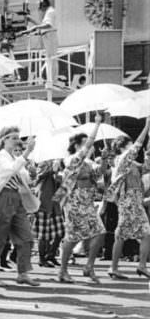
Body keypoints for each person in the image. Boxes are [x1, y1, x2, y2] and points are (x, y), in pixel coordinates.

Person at [0, 127, 40, 287]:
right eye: (13, 137)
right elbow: (9, 171)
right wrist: (27, 152)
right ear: (4, 140)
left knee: (26, 237)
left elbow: (24, 178)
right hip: (3, 197)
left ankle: (23, 272)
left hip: (17, 197)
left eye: (18, 137)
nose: (17, 140)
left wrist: (32, 173)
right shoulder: (0, 156)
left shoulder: (15, 157)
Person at [56, 116, 107, 283]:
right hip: (74, 201)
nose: (90, 147)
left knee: (100, 232)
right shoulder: (71, 159)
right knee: (73, 236)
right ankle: (63, 270)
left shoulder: (89, 162)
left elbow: (100, 174)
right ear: (77, 146)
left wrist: (105, 159)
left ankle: (89, 266)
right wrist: (97, 124)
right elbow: (85, 150)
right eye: (86, 144)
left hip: (88, 201)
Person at [108, 118, 150, 279]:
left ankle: (116, 267)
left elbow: (145, 168)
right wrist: (146, 127)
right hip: (129, 200)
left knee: (123, 234)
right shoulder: (122, 160)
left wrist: (147, 156)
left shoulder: (130, 162)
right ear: (124, 146)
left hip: (132, 200)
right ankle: (140, 266)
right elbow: (136, 146)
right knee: (145, 233)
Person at [18, 0, 59, 87]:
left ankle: (52, 81)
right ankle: (50, 79)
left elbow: (48, 25)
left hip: (50, 37)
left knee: (51, 59)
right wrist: (31, 21)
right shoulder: (49, 12)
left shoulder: (50, 12)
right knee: (49, 59)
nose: (40, 9)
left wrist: (33, 29)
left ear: (44, 5)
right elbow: (42, 26)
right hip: (47, 36)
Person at [32, 159, 65, 267]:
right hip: (44, 203)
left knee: (60, 232)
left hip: (55, 203)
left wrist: (57, 172)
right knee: (43, 235)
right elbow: (38, 177)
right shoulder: (42, 163)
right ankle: (42, 259)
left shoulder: (58, 163)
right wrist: (52, 170)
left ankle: (50, 255)